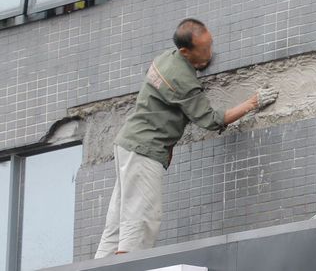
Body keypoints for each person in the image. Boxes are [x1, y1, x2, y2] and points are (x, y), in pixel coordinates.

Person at [95, 18, 278, 257]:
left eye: (210, 45)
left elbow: (162, 102)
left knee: (118, 223)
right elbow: (211, 120)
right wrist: (252, 103)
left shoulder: (164, 59)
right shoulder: (182, 79)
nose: (210, 53)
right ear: (185, 51)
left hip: (129, 144)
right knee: (141, 219)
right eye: (204, 50)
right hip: (144, 149)